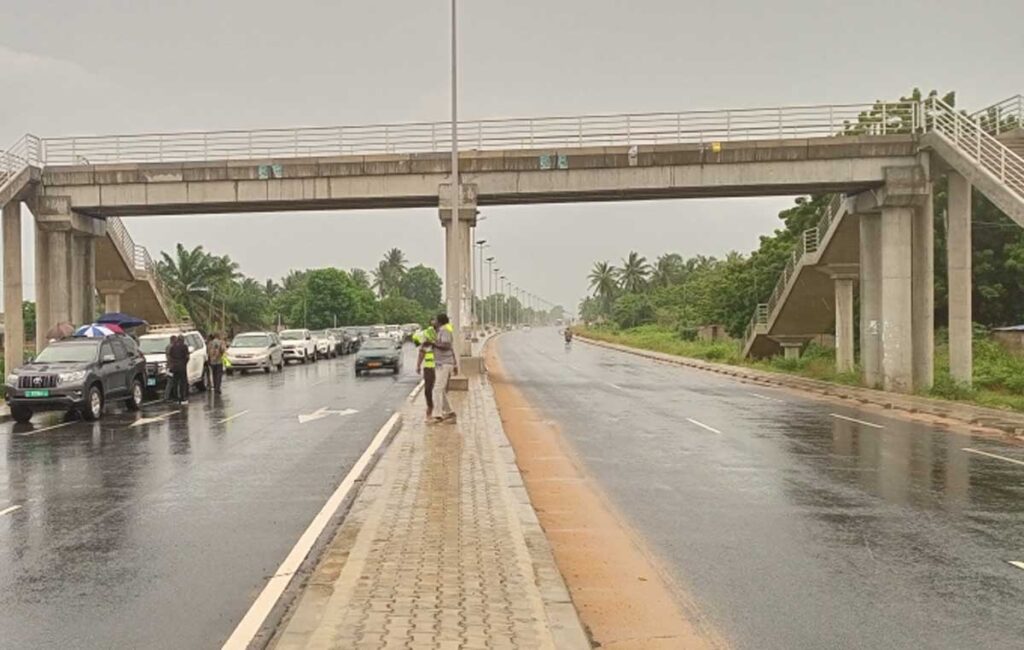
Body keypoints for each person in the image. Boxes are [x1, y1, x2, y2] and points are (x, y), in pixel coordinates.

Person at [431, 313, 458, 424]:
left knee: (437, 389)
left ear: (440, 321)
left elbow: (446, 346)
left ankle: (438, 415)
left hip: (444, 363)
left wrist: (433, 344)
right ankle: (450, 412)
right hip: (441, 363)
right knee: (440, 389)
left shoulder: (445, 330)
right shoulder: (440, 331)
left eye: (435, 320)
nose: (433, 322)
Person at [414, 320, 438, 422]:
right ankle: (430, 409)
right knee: (428, 390)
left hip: (440, 369)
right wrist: (418, 366)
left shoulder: (441, 340)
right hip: (428, 369)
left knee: (440, 390)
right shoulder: (426, 344)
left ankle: (442, 411)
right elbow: (421, 354)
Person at [167, 334, 191, 405]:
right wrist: (184, 363)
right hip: (182, 367)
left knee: (175, 383)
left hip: (174, 367)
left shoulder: (173, 347)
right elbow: (187, 357)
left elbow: (170, 356)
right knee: (183, 383)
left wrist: (172, 364)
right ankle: (182, 398)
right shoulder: (184, 347)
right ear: (183, 340)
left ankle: (176, 398)